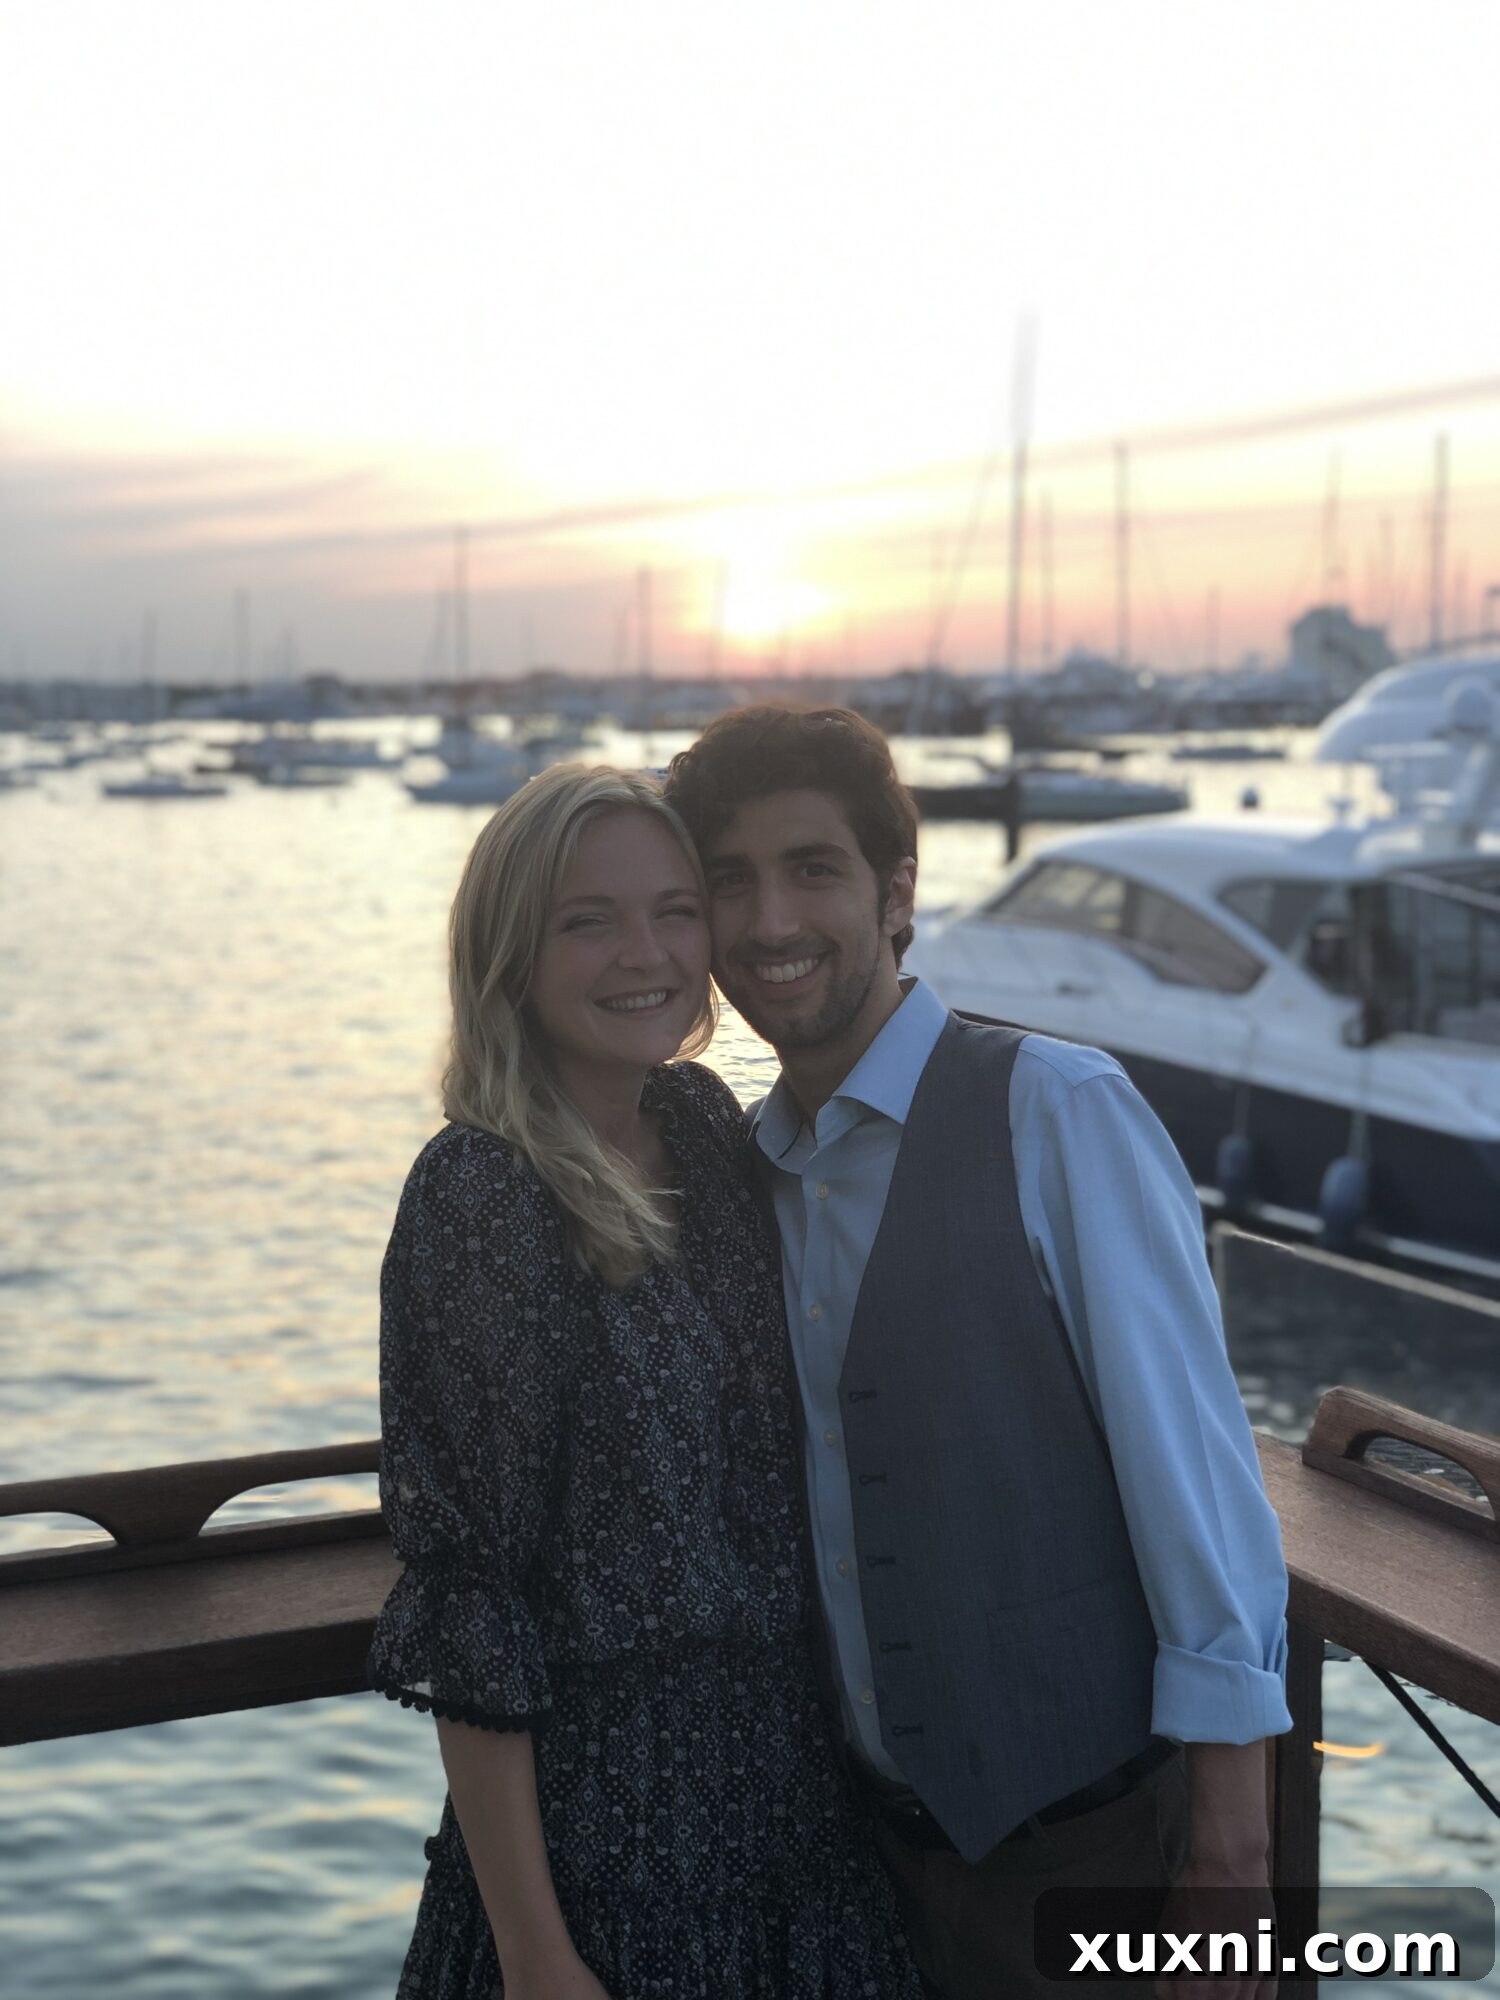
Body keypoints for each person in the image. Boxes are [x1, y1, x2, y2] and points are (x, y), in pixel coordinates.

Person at [664, 708, 1294, 2000]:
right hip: (861, 1868)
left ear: (899, 891)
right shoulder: (743, 1177)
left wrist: (1231, 1860)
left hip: (1093, 1852)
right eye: (732, 882)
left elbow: (1196, 1483)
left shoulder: (1056, 1110)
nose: (771, 921)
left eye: (813, 869)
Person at [365, 763, 921, 2000]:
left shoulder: (707, 1123)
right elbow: (474, 1595)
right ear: (513, 949)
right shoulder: (483, 1195)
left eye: (676, 907)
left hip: (801, 1828)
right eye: (589, 919)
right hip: (608, 1858)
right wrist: (534, 1952)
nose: (649, 951)